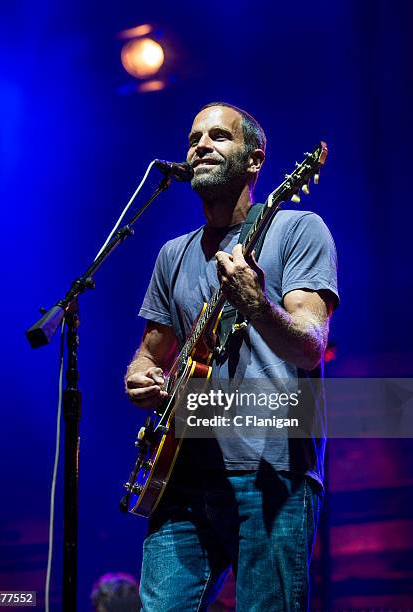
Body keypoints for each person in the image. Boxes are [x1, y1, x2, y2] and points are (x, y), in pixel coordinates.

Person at [125, 102, 339, 611]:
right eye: (194, 137)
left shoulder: (298, 229)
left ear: (254, 160)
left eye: (218, 136)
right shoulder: (172, 255)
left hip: (271, 469)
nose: (200, 145)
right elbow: (147, 354)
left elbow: (310, 346)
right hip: (180, 474)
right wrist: (140, 377)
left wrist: (257, 305)